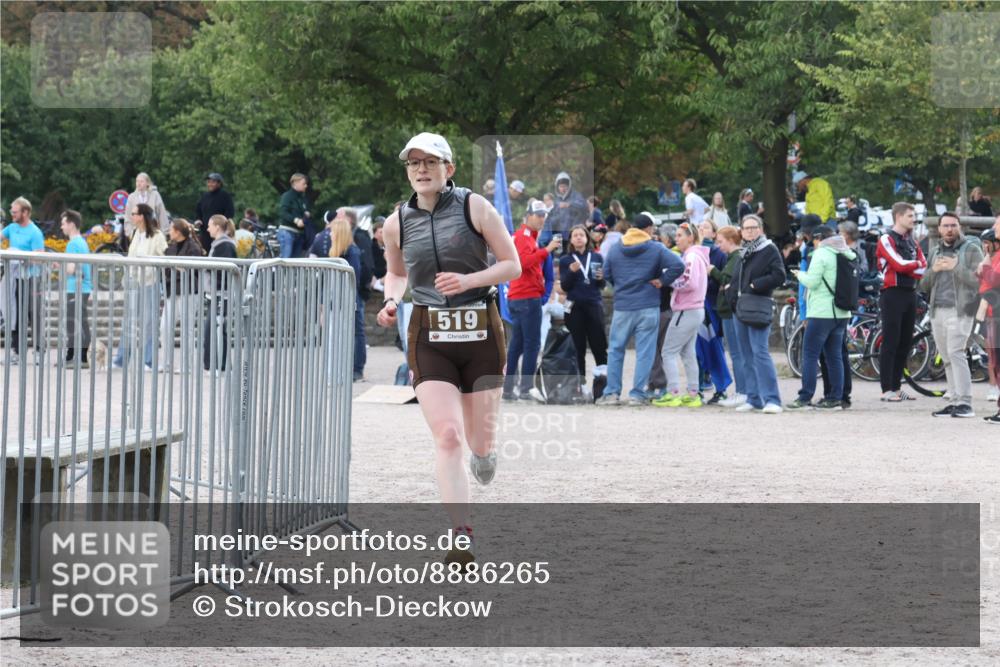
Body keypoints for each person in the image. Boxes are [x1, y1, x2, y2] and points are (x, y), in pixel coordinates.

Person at [376, 132, 520, 564]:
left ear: (449, 169)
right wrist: (390, 300)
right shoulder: (396, 221)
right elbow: (397, 274)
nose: (421, 169)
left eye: (430, 162)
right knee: (448, 435)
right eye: (413, 163)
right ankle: (461, 533)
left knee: (478, 441)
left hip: (480, 331)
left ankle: (485, 451)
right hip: (429, 333)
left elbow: (512, 264)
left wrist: (469, 281)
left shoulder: (476, 207)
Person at [597, 212, 684, 406]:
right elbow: (678, 265)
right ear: (648, 229)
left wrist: (620, 285)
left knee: (616, 350)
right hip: (648, 306)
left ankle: (612, 393)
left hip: (623, 306)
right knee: (645, 351)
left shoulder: (615, 248)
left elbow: (607, 273)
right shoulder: (656, 248)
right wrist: (662, 281)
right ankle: (637, 394)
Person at [920, 212, 985, 418]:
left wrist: (956, 267)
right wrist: (934, 271)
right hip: (937, 310)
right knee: (947, 357)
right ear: (939, 229)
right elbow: (923, 285)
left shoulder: (971, 249)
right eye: (945, 226)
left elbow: (981, 281)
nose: (949, 229)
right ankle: (955, 399)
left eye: (953, 225)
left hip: (962, 310)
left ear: (960, 227)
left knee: (956, 353)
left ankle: (965, 403)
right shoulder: (935, 251)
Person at [786, 226, 856, 410]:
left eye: (814, 241)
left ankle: (804, 397)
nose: (813, 245)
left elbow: (812, 282)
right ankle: (835, 398)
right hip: (841, 312)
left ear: (819, 238)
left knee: (809, 355)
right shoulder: (845, 253)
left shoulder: (822, 253)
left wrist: (799, 274)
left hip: (821, 312)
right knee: (835, 357)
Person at [729, 214, 786, 413]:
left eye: (754, 227)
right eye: (746, 228)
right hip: (741, 307)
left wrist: (755, 285)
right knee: (746, 355)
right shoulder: (744, 252)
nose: (750, 231)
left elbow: (779, 275)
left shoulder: (768, 249)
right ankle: (754, 398)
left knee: (760, 352)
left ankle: (772, 399)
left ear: (761, 229)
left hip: (758, 305)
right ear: (742, 231)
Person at [504, 201, 561, 400]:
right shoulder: (524, 237)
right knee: (531, 345)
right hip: (526, 297)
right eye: (538, 214)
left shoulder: (526, 237)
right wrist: (547, 250)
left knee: (517, 346)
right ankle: (526, 388)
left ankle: (508, 389)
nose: (542, 218)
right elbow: (524, 262)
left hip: (520, 297)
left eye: (544, 215)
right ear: (528, 216)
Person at [653, 222, 710, 407]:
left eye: (679, 235)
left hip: (686, 309)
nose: (676, 239)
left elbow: (689, 282)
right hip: (695, 309)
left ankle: (673, 392)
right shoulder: (697, 255)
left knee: (668, 351)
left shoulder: (691, 256)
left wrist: (669, 281)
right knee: (688, 353)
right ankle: (693, 393)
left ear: (690, 237)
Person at [875, 202, 928, 402]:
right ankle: (886, 389)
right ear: (898, 217)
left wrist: (911, 267)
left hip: (910, 293)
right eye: (910, 216)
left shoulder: (912, 242)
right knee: (891, 340)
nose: (913, 220)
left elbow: (924, 266)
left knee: (905, 342)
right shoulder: (886, 238)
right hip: (892, 294)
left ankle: (897, 387)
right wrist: (914, 266)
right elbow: (898, 264)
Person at [113, 203, 167, 370]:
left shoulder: (157, 236)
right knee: (128, 321)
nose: (132, 216)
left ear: (142, 216)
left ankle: (148, 361)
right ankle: (121, 359)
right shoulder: (136, 233)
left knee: (149, 323)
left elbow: (164, 256)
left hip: (150, 283)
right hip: (134, 282)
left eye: (134, 213)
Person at [558, 224, 608, 388]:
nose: (579, 237)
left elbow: (601, 285)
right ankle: (580, 384)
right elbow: (564, 287)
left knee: (599, 344)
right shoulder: (566, 260)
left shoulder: (597, 257)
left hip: (593, 304)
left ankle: (602, 382)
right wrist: (571, 272)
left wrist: (601, 279)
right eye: (575, 235)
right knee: (576, 346)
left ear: (587, 239)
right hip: (574, 307)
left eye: (582, 235)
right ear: (571, 240)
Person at [2, 197, 45, 365]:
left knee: (34, 314)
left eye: (15, 212)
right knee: (15, 314)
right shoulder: (12, 228)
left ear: (25, 212)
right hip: (16, 278)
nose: (12, 214)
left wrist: (22, 258)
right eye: (11, 212)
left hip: (32, 277)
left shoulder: (35, 232)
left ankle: (40, 350)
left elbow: (40, 256)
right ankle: (17, 352)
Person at [695, 219, 733, 403]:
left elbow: (722, 280)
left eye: (706, 227)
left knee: (714, 347)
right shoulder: (692, 252)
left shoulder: (719, 254)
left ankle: (721, 388)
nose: (702, 229)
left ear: (714, 233)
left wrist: (706, 279)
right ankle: (698, 388)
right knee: (696, 349)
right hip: (694, 307)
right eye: (700, 227)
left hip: (712, 307)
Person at [710, 227, 748, 407]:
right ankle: (743, 390)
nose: (718, 245)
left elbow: (728, 280)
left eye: (720, 241)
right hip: (728, 310)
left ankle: (743, 391)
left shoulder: (736, 257)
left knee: (737, 353)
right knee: (736, 353)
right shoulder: (732, 257)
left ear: (731, 240)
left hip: (731, 310)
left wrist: (712, 271)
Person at [160, 219, 204, 372]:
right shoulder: (170, 248)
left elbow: (193, 271)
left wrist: (176, 269)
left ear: (178, 231)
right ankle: (166, 363)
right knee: (165, 327)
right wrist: (177, 269)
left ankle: (187, 364)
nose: (169, 232)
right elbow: (166, 270)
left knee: (188, 328)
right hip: (173, 291)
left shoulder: (193, 247)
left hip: (189, 291)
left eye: (171, 229)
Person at [326, 215, 367, 381]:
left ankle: (357, 369)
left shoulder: (352, 252)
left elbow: (353, 279)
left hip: (349, 298)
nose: (329, 235)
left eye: (332, 232)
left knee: (357, 332)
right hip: (340, 297)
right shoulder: (340, 252)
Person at [647, 223, 679, 397]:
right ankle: (655, 383)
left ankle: (659, 384)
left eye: (659, 238)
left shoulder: (670, 257)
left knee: (657, 349)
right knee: (656, 349)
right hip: (662, 307)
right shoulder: (666, 256)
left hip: (662, 308)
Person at [203, 215, 237, 372]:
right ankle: (217, 363)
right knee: (215, 327)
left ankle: (219, 364)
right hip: (217, 293)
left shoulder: (225, 245)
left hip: (221, 294)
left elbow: (224, 269)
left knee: (216, 327)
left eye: (210, 225)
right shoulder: (220, 244)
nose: (207, 228)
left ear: (217, 227)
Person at [60, 210, 93, 368]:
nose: (61, 227)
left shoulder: (73, 244)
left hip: (75, 288)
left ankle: (75, 357)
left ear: (71, 224)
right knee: (81, 323)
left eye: (63, 223)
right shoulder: (82, 242)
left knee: (73, 324)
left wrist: (59, 265)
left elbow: (70, 269)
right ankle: (80, 357)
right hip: (83, 288)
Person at [977, 219, 1000, 424]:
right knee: (994, 359)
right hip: (993, 312)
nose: (985, 247)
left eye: (987, 242)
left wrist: (984, 266)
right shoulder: (993, 258)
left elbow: (992, 280)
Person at [194, 173, 235, 251]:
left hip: (219, 233)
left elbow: (230, 213)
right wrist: (198, 219)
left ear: (219, 183)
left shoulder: (225, 196)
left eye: (213, 182)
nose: (210, 184)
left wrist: (223, 226)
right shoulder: (204, 196)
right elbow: (198, 210)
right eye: (208, 182)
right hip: (205, 233)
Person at [542, 172, 589, 241]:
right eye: (561, 186)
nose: (563, 189)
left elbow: (584, 207)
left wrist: (569, 204)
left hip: (573, 233)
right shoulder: (556, 200)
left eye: (565, 186)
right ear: (557, 187)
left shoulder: (576, 196)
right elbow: (551, 216)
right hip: (558, 235)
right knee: (558, 251)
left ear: (569, 186)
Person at [277, 173, 311, 258]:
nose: (306, 186)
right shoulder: (287, 196)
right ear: (295, 183)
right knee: (286, 260)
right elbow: (283, 213)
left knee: (296, 262)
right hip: (287, 232)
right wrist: (295, 220)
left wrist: (306, 215)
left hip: (299, 234)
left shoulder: (302, 198)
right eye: (304, 184)